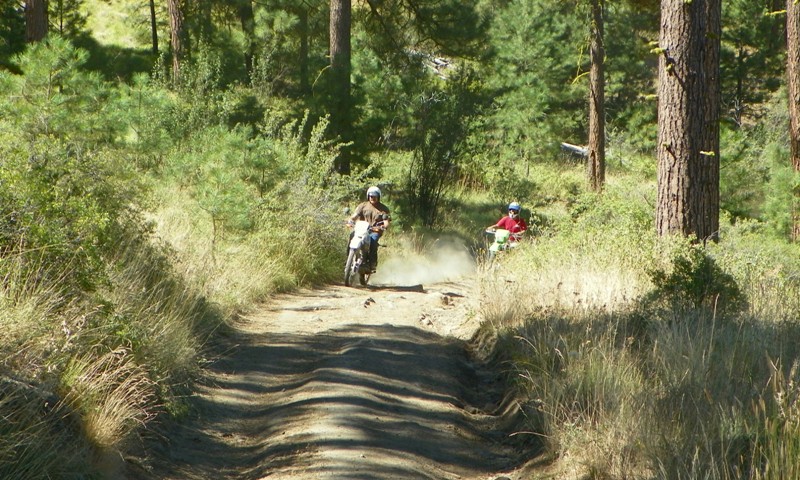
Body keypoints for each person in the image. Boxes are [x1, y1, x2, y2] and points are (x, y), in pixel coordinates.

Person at [348, 186, 391, 272]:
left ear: (378, 197)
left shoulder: (383, 209)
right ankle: (348, 258)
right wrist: (350, 221)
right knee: (352, 236)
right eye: (371, 196)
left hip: (374, 231)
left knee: (373, 242)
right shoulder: (362, 206)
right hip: (362, 229)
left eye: (375, 196)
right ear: (368, 196)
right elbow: (355, 216)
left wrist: (384, 226)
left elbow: (386, 220)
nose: (373, 198)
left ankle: (372, 264)